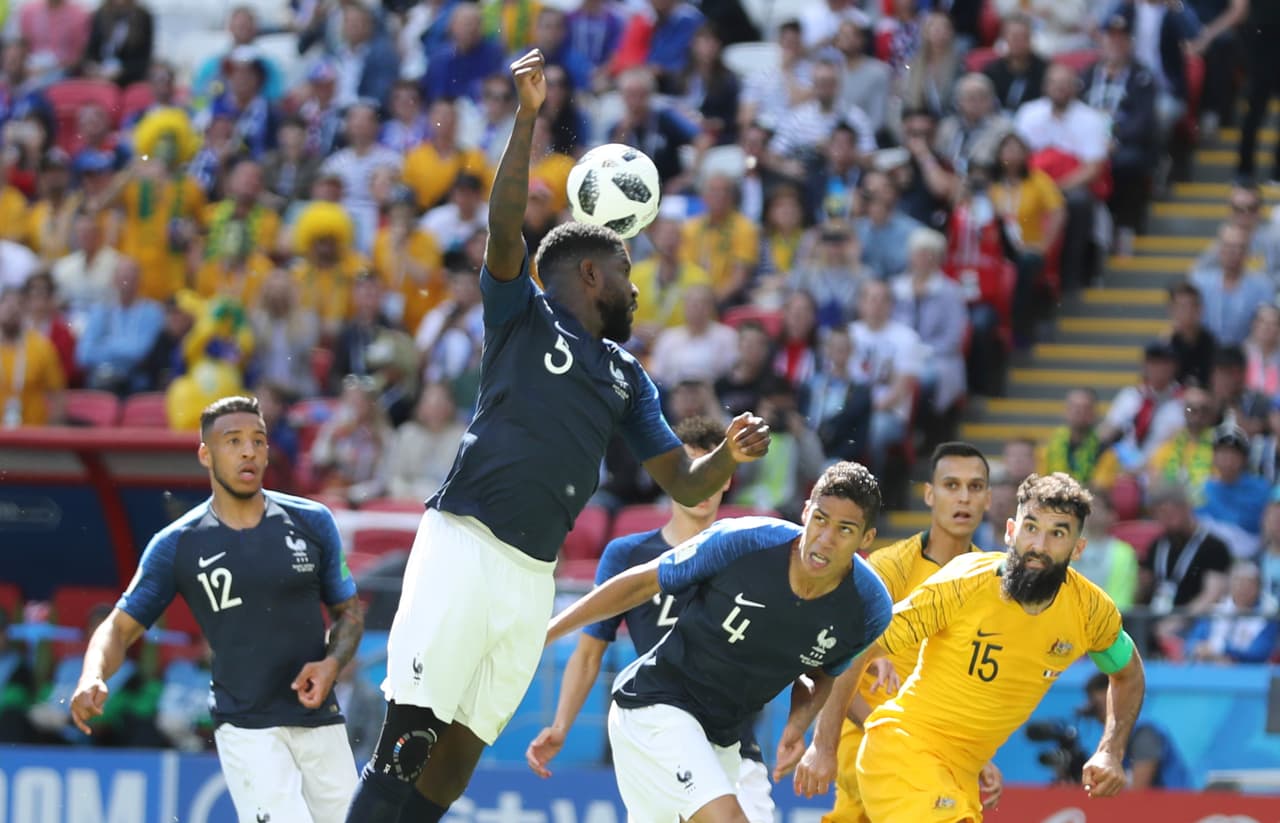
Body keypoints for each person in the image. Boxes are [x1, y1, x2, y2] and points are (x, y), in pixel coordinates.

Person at [343, 49, 770, 823]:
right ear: (590, 276)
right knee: (407, 743)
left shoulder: (628, 375)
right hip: (466, 544)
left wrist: (726, 458)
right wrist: (527, 115)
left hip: (530, 576)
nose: (638, 284)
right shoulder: (520, 315)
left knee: (454, 763)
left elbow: (683, 482)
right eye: (627, 268)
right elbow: (505, 223)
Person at [69, 396, 365, 823]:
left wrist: (332, 664)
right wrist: (92, 675)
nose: (249, 451)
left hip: (320, 720)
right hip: (246, 726)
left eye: (258, 441)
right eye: (233, 441)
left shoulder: (313, 521)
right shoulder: (178, 544)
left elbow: (349, 612)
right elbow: (118, 629)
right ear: (206, 454)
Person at [545, 462, 892, 823]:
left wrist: (800, 724)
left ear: (866, 539)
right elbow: (639, 583)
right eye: (820, 519)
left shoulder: (868, 609)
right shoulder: (745, 541)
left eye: (845, 529)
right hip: (654, 705)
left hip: (722, 740)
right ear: (806, 511)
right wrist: (550, 631)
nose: (825, 538)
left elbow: (824, 674)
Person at [796, 473, 1147, 821]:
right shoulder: (966, 583)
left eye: (1058, 533)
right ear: (1011, 531)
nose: (1039, 544)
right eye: (1031, 527)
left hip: (962, 773)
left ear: (1078, 548)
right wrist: (823, 746)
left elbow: (1128, 674)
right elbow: (860, 646)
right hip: (901, 750)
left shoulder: (1090, 611)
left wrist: (1110, 751)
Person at [525, 416, 775, 823]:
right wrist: (560, 725)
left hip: (733, 743)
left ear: (729, 480)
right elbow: (589, 653)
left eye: (716, 470)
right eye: (693, 471)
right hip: (656, 739)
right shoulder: (627, 556)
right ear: (671, 479)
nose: (704, 484)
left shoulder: (750, 557)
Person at [824, 442, 1000, 823]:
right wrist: (876, 732)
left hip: (937, 754)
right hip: (868, 741)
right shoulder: (887, 570)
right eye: (951, 485)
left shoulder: (991, 583)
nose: (964, 497)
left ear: (988, 498)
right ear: (929, 494)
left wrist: (977, 754)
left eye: (975, 487)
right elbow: (832, 661)